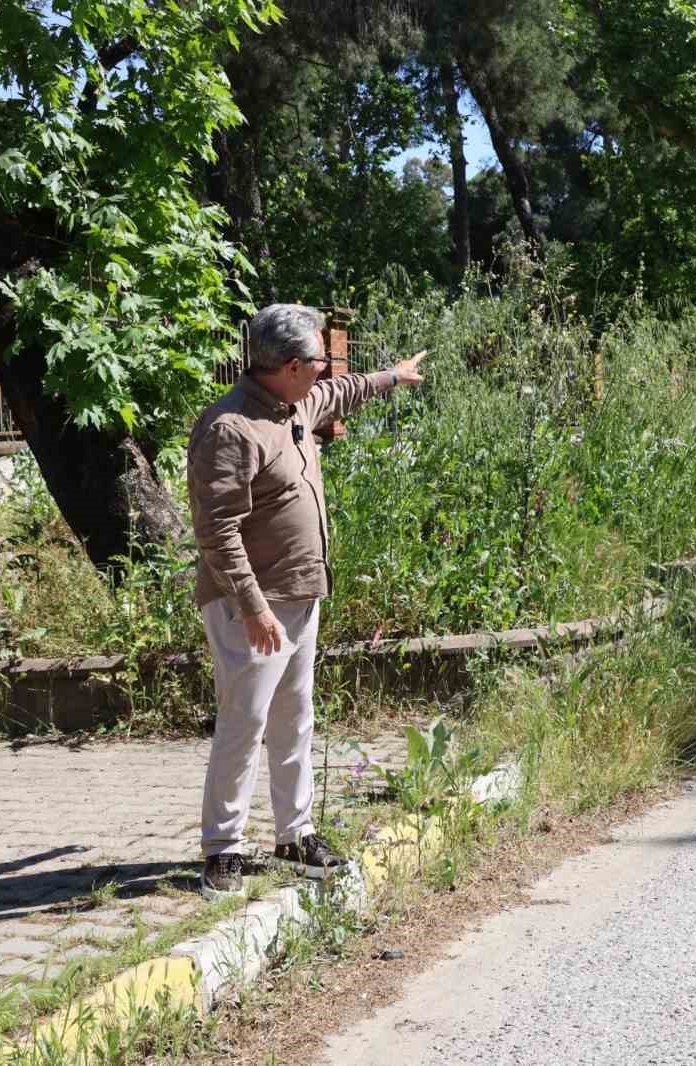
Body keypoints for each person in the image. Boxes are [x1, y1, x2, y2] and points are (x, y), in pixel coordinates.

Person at [187, 303, 425, 899]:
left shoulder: (297, 403)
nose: (326, 367)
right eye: (319, 358)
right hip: (254, 604)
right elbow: (216, 530)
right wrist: (253, 607)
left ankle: (294, 835)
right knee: (244, 722)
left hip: (299, 593)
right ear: (291, 365)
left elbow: (343, 392)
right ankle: (223, 848)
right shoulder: (231, 428)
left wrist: (393, 377)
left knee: (295, 718)